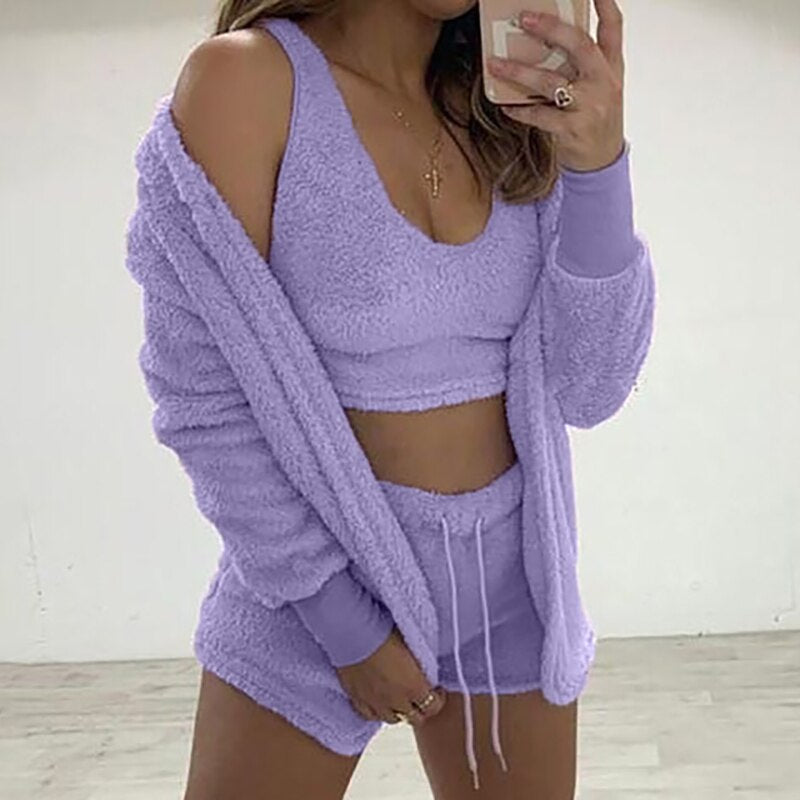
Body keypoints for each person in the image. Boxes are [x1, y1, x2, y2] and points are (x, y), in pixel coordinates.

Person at [138, 0, 645, 797]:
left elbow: (592, 385)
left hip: (514, 587)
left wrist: (598, 166)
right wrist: (341, 623)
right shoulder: (246, 82)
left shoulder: (506, 105)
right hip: (314, 590)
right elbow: (202, 398)